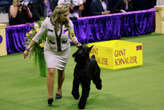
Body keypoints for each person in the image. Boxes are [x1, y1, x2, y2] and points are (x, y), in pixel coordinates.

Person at [24, 3, 81, 106]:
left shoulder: (69, 23)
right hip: (50, 50)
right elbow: (37, 36)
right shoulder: (47, 22)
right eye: (65, 15)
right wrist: (28, 49)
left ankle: (59, 89)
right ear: (59, 14)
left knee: (61, 71)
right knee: (51, 71)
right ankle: (50, 96)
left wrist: (76, 42)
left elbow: (72, 36)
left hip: (64, 51)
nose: (67, 17)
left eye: (67, 15)